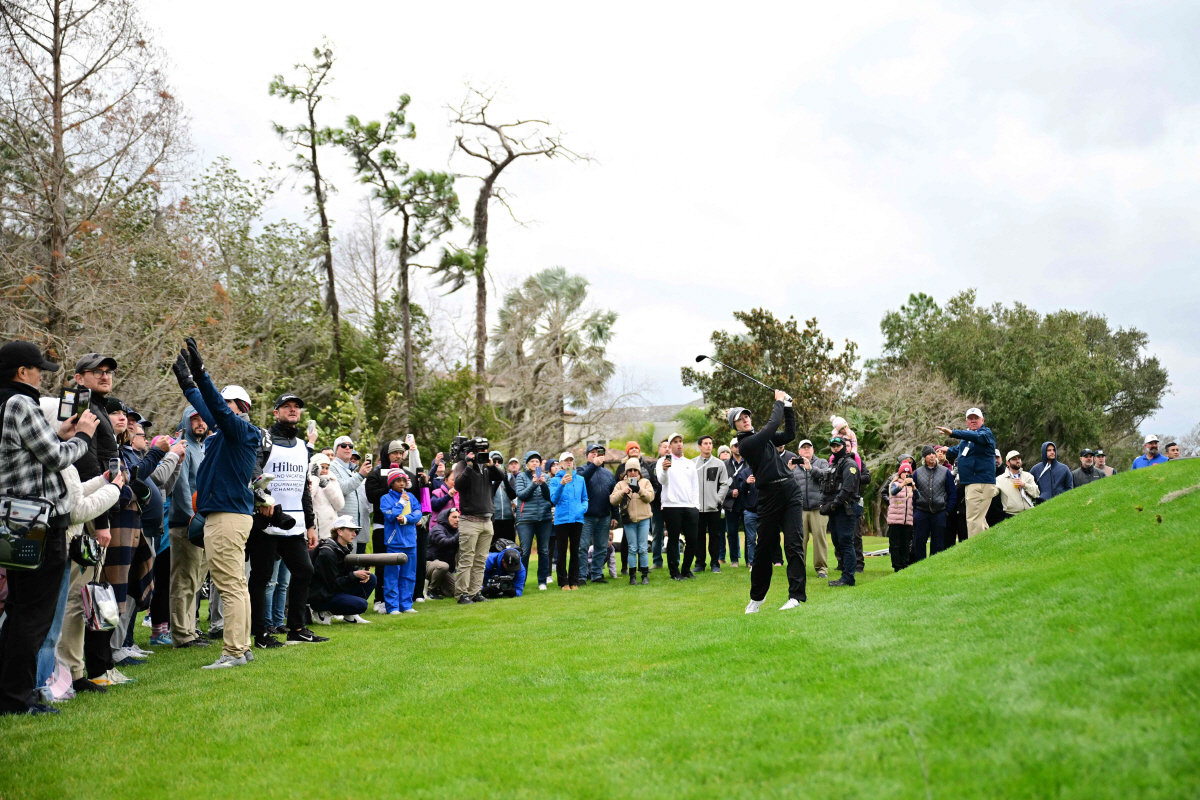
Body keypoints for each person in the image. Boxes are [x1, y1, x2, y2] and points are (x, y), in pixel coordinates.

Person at [0, 341, 99, 716]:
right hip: (40, 523)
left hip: (14, 520)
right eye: (38, 369)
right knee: (34, 617)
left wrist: (59, 431)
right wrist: (83, 435)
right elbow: (56, 459)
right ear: (22, 372)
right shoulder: (21, 403)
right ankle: (17, 699)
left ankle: (8, 695)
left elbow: (28, 452)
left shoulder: (3, 403)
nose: (42, 376)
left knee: (18, 610)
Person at [172, 338, 264, 669]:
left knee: (229, 587)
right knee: (236, 585)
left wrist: (200, 372)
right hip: (228, 516)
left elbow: (215, 406)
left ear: (241, 409)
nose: (220, 409)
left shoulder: (240, 430)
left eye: (228, 404)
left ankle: (234, 651)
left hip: (226, 518)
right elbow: (209, 406)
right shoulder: (227, 432)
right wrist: (187, 384)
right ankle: (244, 647)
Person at [247, 393, 319, 649]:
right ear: (276, 412)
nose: (293, 410)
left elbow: (304, 489)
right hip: (266, 522)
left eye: (296, 407)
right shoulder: (264, 440)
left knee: (305, 571)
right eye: (287, 406)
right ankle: (260, 633)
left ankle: (296, 628)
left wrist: (310, 524)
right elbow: (254, 474)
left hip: (295, 525)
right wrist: (264, 500)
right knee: (262, 577)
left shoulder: (302, 446)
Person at [731, 392, 806, 613]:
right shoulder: (746, 444)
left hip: (790, 491)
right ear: (735, 425)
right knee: (763, 549)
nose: (746, 419)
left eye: (747, 416)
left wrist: (789, 408)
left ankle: (796, 596)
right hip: (768, 495)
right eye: (740, 419)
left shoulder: (764, 438)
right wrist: (779, 401)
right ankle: (757, 598)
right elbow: (772, 425)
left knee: (793, 543)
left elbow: (790, 434)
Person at [167, 405, 211, 649]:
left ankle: (190, 630)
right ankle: (182, 635)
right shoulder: (182, 447)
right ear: (186, 421)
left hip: (202, 524)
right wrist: (194, 522)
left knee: (195, 581)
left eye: (203, 419)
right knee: (183, 581)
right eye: (195, 419)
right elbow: (182, 489)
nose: (200, 423)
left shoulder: (204, 448)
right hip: (187, 525)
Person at [451, 443, 506, 604]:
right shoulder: (461, 465)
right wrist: (469, 465)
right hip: (469, 520)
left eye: (484, 451)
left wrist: (490, 465)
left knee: (481, 560)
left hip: (487, 521)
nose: (483, 454)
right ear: (471, 452)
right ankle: (462, 594)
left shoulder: (486, 466)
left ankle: (475, 592)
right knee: (467, 559)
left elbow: (501, 477)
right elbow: (459, 485)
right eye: (480, 451)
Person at [935, 408, 998, 537]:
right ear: (966, 421)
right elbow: (962, 449)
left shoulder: (985, 434)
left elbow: (974, 437)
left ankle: (975, 552)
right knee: (979, 519)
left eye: (976, 418)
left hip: (979, 482)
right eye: (970, 418)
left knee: (973, 519)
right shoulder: (969, 438)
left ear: (982, 420)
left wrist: (953, 433)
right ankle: (989, 548)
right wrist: (948, 450)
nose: (973, 421)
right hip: (972, 482)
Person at [309, 516, 377, 619]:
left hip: (334, 591)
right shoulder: (326, 553)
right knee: (361, 605)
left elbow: (350, 571)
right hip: (322, 596)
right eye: (350, 530)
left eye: (355, 531)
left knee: (371, 578)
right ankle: (321, 611)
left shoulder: (345, 548)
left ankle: (349, 614)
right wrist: (354, 575)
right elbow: (332, 585)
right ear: (340, 532)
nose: (354, 534)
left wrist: (360, 573)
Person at [655, 433, 700, 580]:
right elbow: (662, 481)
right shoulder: (662, 461)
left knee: (692, 539)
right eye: (675, 442)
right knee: (673, 539)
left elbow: (695, 486)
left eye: (680, 441)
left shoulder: (690, 463)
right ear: (670, 446)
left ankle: (686, 570)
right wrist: (665, 469)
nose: (679, 444)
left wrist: (696, 506)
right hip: (671, 506)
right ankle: (674, 572)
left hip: (689, 506)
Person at [820, 436, 860, 589]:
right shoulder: (834, 464)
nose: (835, 448)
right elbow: (827, 486)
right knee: (838, 542)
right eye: (833, 446)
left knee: (846, 542)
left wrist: (833, 505)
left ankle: (849, 577)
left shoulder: (849, 464)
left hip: (845, 509)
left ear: (844, 446)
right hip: (835, 510)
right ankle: (845, 574)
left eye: (838, 446)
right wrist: (824, 503)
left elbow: (847, 489)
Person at [380, 470, 423, 614]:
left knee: (409, 574)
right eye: (398, 481)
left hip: (410, 541)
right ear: (391, 483)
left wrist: (407, 519)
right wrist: (401, 503)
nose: (402, 483)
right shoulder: (385, 498)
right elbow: (390, 515)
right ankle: (392, 607)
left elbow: (418, 512)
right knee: (392, 575)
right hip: (394, 542)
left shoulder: (411, 496)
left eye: (404, 481)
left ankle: (406, 605)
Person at [611, 458, 656, 585]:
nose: (632, 472)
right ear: (626, 472)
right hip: (629, 520)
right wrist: (622, 492)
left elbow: (650, 497)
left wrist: (639, 490)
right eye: (629, 470)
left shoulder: (645, 482)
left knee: (642, 548)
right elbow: (612, 500)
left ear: (639, 471)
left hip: (644, 519)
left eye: (635, 470)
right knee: (632, 548)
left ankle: (644, 575)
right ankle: (632, 576)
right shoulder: (620, 484)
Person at [577, 443, 617, 584]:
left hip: (604, 516)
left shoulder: (609, 474)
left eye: (598, 452)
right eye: (592, 452)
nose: (595, 454)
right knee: (583, 547)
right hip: (586, 515)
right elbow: (581, 481)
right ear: (587, 455)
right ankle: (581, 576)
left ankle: (596, 574)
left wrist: (615, 515)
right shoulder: (581, 469)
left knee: (601, 547)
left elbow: (614, 495)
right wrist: (594, 465)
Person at [514, 451, 553, 591]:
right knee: (525, 551)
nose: (535, 464)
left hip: (544, 519)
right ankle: (520, 582)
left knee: (544, 550)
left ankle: (542, 581)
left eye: (537, 461)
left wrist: (542, 484)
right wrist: (534, 483)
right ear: (527, 464)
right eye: (532, 462)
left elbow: (550, 497)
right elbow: (521, 495)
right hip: (525, 520)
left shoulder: (547, 478)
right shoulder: (521, 477)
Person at [911, 445, 957, 562]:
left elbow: (952, 493)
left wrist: (947, 511)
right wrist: (915, 512)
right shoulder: (917, 473)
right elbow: (912, 493)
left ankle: (935, 566)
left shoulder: (945, 472)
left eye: (933, 454)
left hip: (940, 513)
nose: (932, 456)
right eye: (928, 454)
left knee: (938, 544)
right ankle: (919, 567)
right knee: (919, 542)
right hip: (921, 512)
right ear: (924, 458)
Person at [549, 452, 587, 591]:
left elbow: (585, 498)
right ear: (560, 464)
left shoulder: (580, 480)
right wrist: (562, 484)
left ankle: (574, 581)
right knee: (562, 551)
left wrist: (581, 510)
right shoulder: (554, 480)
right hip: (561, 520)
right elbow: (554, 500)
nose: (569, 463)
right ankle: (563, 582)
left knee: (575, 551)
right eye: (566, 461)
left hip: (577, 519)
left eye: (571, 460)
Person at [330, 435, 373, 556]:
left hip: (354, 528)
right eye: (343, 445)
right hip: (341, 528)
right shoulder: (332, 467)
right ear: (336, 449)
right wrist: (360, 475)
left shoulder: (350, 471)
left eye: (350, 446)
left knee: (352, 565)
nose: (348, 448)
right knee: (341, 565)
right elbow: (341, 489)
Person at [793, 439, 830, 578]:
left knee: (819, 539)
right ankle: (798, 568)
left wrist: (811, 469)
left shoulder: (821, 462)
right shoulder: (795, 465)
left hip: (818, 508)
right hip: (800, 509)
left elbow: (827, 476)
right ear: (799, 451)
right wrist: (788, 470)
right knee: (799, 540)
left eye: (809, 447)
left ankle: (821, 569)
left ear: (813, 450)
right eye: (804, 448)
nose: (806, 450)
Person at [693, 435, 730, 573]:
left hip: (713, 507)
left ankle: (715, 564)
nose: (708, 446)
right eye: (705, 443)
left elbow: (725, 484)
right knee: (699, 537)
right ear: (699, 446)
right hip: (697, 508)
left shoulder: (719, 464)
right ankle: (700, 564)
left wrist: (717, 500)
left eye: (710, 443)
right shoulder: (692, 464)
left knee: (715, 537)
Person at [884, 457, 916, 572]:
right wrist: (902, 485)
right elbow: (893, 492)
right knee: (895, 545)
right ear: (900, 473)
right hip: (895, 520)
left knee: (905, 545)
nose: (906, 475)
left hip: (907, 520)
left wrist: (913, 487)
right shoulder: (894, 483)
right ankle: (897, 566)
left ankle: (905, 565)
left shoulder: (911, 486)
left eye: (908, 473)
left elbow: (919, 499)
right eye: (904, 472)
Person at [426, 508, 460, 599]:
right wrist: (460, 534)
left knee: (456, 592)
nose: (457, 520)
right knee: (443, 566)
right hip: (429, 564)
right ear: (446, 518)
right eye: (454, 517)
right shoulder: (437, 529)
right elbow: (444, 543)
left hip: (446, 570)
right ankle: (431, 591)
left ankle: (440, 587)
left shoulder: (456, 531)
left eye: (458, 517)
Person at [308, 453, 345, 538]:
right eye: (321, 467)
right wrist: (314, 479)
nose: (324, 470)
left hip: (330, 530)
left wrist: (327, 487)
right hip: (314, 529)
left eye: (327, 468)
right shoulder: (308, 479)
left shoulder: (332, 480)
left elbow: (340, 505)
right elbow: (308, 500)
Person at [995, 451, 1040, 519]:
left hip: (1030, 512)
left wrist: (1024, 485)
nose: (1017, 461)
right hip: (1012, 515)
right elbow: (991, 493)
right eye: (1014, 459)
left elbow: (1036, 493)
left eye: (1019, 458)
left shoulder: (1028, 476)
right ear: (1008, 463)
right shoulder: (1000, 479)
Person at [722, 439, 745, 567]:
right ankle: (734, 560)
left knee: (750, 533)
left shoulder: (749, 462)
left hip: (746, 501)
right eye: (736, 445)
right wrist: (730, 493)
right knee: (731, 532)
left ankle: (749, 560)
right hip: (731, 503)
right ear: (731, 448)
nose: (738, 448)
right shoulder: (724, 465)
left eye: (740, 445)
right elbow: (720, 484)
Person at [490, 452, 518, 545]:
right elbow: (489, 495)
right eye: (494, 461)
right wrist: (498, 480)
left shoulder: (510, 477)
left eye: (499, 461)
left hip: (508, 518)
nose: (497, 464)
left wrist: (505, 481)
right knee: (494, 546)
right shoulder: (487, 476)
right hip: (494, 519)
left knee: (509, 546)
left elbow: (513, 495)